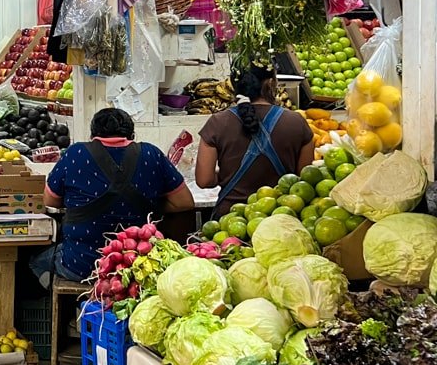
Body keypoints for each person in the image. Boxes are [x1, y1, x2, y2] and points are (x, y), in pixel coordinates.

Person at [31, 108, 195, 286]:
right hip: (137, 269)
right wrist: (152, 204)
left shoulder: (75, 153)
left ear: (92, 135)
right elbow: (184, 202)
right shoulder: (151, 154)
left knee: (36, 261)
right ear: (132, 134)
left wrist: (80, 202)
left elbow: (50, 200)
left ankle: (78, 306)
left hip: (82, 266)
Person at [196, 66, 315, 217]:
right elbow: (305, 177)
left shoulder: (217, 123)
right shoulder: (297, 122)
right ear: (271, 83)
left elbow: (204, 180)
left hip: (230, 220)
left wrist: (227, 173)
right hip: (281, 217)